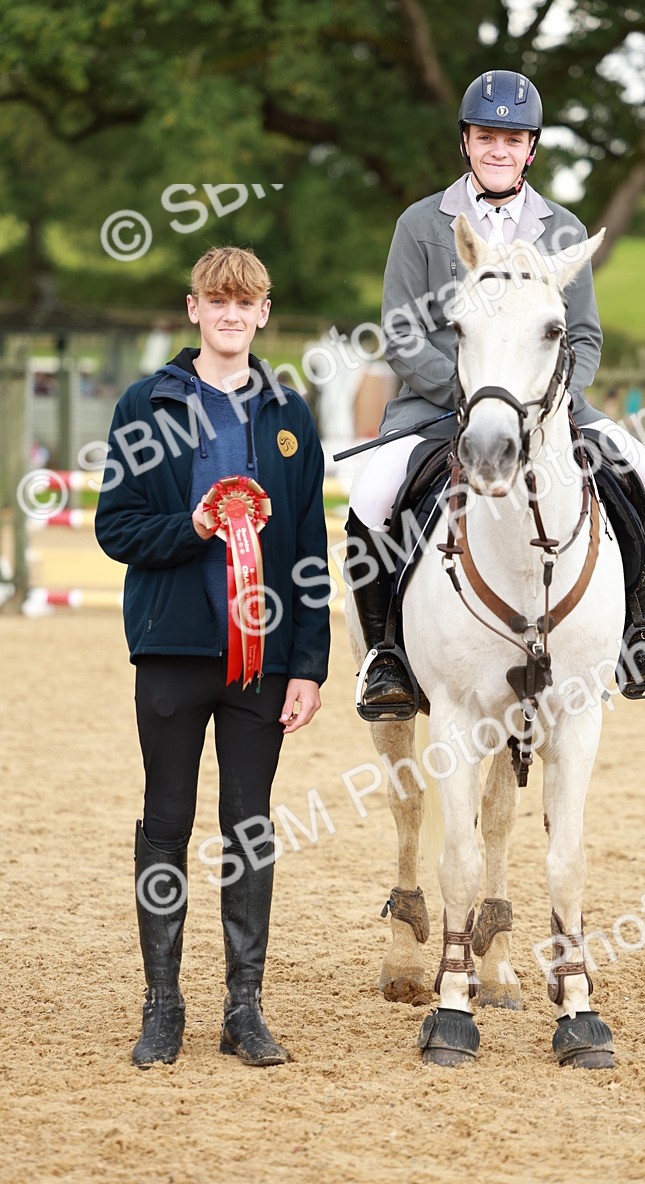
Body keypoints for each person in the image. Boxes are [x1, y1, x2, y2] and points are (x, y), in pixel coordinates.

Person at [347, 68, 645, 711]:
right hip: (440, 404)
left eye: (514, 138)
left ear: (532, 148)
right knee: (373, 492)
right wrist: (468, 394)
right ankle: (385, 652)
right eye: (487, 135)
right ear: (466, 141)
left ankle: (639, 629)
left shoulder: (562, 228)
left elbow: (582, 336)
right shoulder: (420, 223)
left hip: (547, 407)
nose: (500, 149)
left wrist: (550, 402)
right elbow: (400, 331)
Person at [95, 246, 330, 1068]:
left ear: (263, 314)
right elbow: (115, 526)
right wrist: (191, 529)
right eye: (215, 301)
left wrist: (309, 664)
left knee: (250, 825)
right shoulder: (142, 404)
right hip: (170, 645)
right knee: (166, 821)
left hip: (261, 660)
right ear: (192, 309)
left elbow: (309, 551)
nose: (230, 315)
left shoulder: (292, 415)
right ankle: (163, 1007)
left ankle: (245, 1008)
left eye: (246, 303)